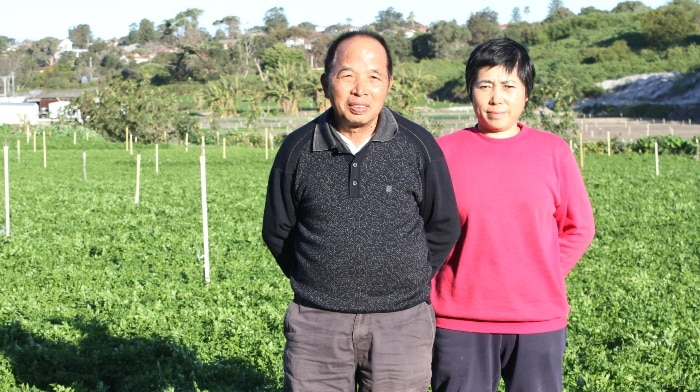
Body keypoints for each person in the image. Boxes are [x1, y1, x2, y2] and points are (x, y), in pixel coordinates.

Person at [262, 30, 460, 391]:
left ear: (389, 84)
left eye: (373, 77)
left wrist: (407, 274)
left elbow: (443, 224)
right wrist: (319, 279)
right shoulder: (297, 149)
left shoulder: (417, 146)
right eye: (347, 75)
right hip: (317, 325)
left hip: (401, 324)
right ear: (326, 83)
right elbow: (278, 229)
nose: (360, 89)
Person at [430, 37, 596, 392]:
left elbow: (578, 227)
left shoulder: (553, 152)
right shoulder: (442, 152)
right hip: (458, 321)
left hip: (537, 320)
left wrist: (543, 270)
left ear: (526, 93)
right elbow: (422, 230)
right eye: (484, 85)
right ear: (469, 90)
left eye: (508, 85)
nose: (496, 98)